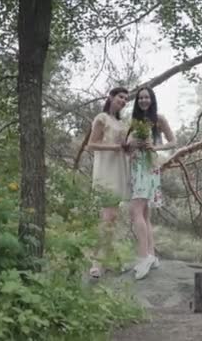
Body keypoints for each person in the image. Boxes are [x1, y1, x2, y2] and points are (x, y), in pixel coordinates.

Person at [126, 87, 176, 280]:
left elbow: (173, 142)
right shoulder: (134, 122)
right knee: (144, 214)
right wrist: (131, 146)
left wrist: (155, 146)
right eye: (140, 98)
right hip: (136, 166)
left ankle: (142, 256)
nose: (144, 100)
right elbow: (127, 148)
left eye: (147, 97)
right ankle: (152, 256)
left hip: (148, 167)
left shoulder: (159, 119)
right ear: (137, 101)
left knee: (135, 211)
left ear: (152, 99)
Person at [86, 87, 131, 278]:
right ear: (111, 97)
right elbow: (91, 144)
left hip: (120, 169)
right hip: (106, 171)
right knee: (107, 217)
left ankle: (109, 261)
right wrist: (115, 147)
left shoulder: (121, 123)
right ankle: (96, 264)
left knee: (112, 218)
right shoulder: (101, 118)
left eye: (126, 99)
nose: (123, 101)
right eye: (121, 97)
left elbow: (124, 147)